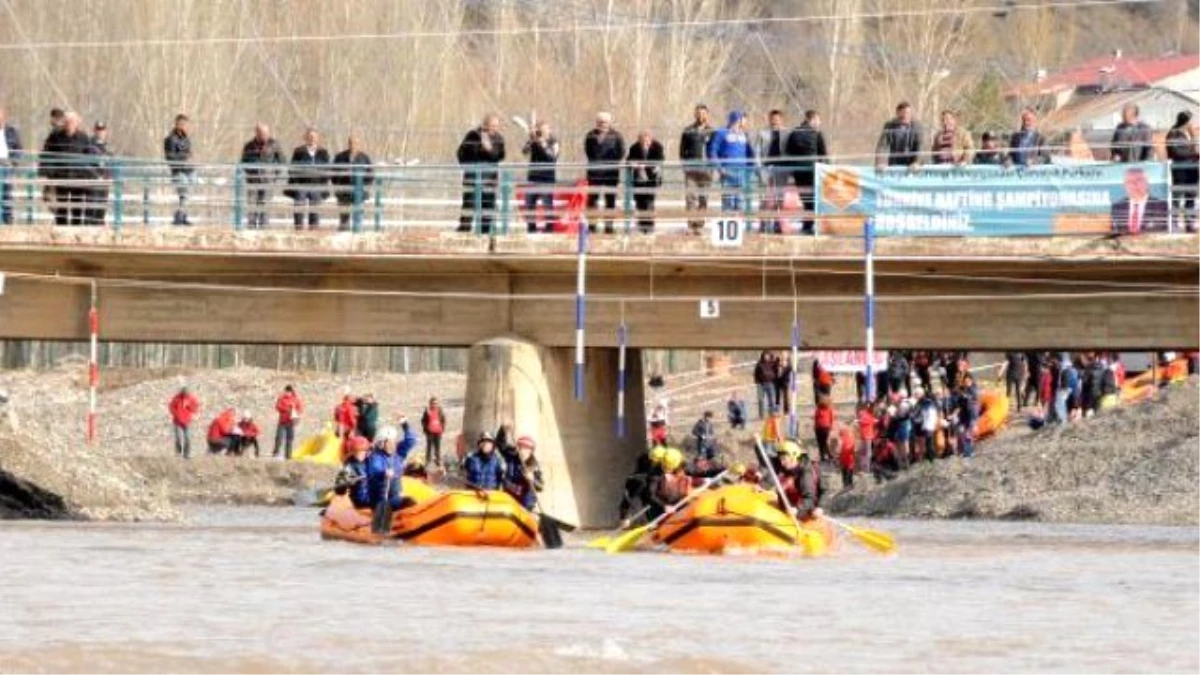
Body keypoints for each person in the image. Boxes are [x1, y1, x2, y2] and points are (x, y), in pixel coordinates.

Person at [39, 111, 93, 226]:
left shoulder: (83, 137)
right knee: (61, 206)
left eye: (72, 122)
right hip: (61, 176)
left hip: (78, 178)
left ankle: (76, 230)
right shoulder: (55, 137)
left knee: (77, 206)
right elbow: (46, 153)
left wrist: (91, 174)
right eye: (67, 121)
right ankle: (61, 229)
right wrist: (47, 172)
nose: (69, 124)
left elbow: (90, 156)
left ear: (77, 123)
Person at [456, 114, 506, 233]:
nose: (495, 128)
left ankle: (486, 231)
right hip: (473, 176)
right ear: (485, 125)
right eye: (492, 125)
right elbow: (461, 153)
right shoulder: (473, 135)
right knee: (469, 203)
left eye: (496, 126)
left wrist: (489, 150)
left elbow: (500, 155)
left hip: (490, 178)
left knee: (488, 205)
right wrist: (470, 165)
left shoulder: (498, 138)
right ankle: (464, 229)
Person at [784, 109, 828, 235]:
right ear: (812, 119)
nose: (819, 123)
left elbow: (789, 152)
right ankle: (811, 225)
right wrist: (828, 169)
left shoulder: (794, 133)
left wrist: (792, 170)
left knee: (805, 198)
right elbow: (823, 154)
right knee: (815, 198)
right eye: (818, 120)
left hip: (798, 172)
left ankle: (807, 225)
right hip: (813, 171)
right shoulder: (816, 134)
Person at [584, 112, 626, 233]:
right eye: (600, 122)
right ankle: (592, 227)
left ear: (609, 123)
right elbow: (588, 152)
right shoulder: (590, 135)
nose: (602, 124)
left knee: (610, 201)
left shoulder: (617, 135)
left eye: (605, 122)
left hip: (611, 173)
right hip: (594, 173)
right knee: (592, 200)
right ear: (596, 122)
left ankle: (609, 227)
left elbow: (621, 152)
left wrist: (611, 163)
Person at [707, 110, 755, 213]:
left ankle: (739, 225)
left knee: (740, 202)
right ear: (738, 119)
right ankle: (727, 221)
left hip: (742, 172)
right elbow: (712, 151)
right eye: (743, 119)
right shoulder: (722, 132)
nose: (746, 122)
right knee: (728, 202)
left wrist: (750, 169)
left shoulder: (744, 135)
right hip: (727, 171)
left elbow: (750, 153)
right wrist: (719, 168)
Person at [239, 123, 285, 229]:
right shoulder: (249, 145)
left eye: (267, 133)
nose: (265, 135)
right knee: (252, 203)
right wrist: (249, 172)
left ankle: (264, 228)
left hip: (267, 180)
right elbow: (243, 161)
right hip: (252, 180)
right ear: (257, 133)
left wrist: (275, 175)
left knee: (264, 204)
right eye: (262, 133)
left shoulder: (274, 144)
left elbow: (282, 161)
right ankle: (251, 227)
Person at [366, 422, 419, 512]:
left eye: (394, 441)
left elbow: (411, 440)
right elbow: (374, 469)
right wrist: (383, 473)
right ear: (381, 443)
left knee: (410, 502)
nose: (393, 444)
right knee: (409, 502)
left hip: (395, 496)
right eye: (390, 441)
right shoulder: (375, 457)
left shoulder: (398, 453)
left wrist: (405, 425)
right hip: (381, 500)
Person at [285, 127, 330, 230]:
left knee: (315, 207)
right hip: (302, 184)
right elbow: (292, 168)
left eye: (314, 137)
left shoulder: (323, 152)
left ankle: (313, 228)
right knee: (299, 204)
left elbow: (327, 170)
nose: (312, 139)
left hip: (316, 185)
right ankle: (298, 227)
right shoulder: (299, 151)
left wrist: (322, 184)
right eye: (309, 137)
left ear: (317, 138)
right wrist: (296, 183)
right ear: (305, 138)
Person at [680, 104, 715, 234]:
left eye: (703, 113)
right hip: (691, 170)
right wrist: (685, 165)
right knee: (690, 198)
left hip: (706, 170)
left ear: (707, 115)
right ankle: (691, 224)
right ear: (695, 115)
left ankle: (699, 225)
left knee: (703, 198)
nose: (701, 116)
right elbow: (682, 151)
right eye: (698, 113)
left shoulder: (712, 131)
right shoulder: (688, 130)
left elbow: (715, 151)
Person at [521, 120, 560, 233]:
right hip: (532, 179)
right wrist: (531, 139)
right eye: (539, 130)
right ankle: (531, 229)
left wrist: (542, 142)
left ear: (549, 130)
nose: (541, 133)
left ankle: (549, 230)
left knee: (547, 206)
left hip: (546, 179)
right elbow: (524, 151)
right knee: (529, 206)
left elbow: (552, 158)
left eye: (543, 130)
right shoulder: (534, 140)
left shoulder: (554, 142)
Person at [331, 134, 374, 231]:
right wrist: (340, 179)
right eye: (351, 143)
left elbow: (370, 175)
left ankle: (357, 234)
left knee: (358, 215)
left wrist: (363, 185)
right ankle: (343, 235)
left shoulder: (364, 158)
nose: (353, 145)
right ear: (348, 144)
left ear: (359, 144)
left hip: (358, 190)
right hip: (344, 190)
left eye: (356, 143)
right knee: (344, 217)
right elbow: (333, 174)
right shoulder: (340, 157)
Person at [1111, 167, 1170, 234]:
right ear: (1125, 185)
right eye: (1130, 182)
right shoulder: (1117, 207)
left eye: (1139, 180)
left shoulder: (1162, 206)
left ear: (1147, 183)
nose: (1135, 185)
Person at [626, 130, 664, 233]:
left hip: (652, 178)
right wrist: (635, 164)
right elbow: (629, 160)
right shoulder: (634, 147)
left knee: (649, 202)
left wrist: (646, 165)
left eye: (647, 141)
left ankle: (650, 227)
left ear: (651, 139)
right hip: (639, 179)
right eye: (642, 141)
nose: (644, 143)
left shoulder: (657, 146)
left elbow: (660, 160)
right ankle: (642, 226)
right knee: (640, 202)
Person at [757, 109, 788, 234]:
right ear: (769, 119)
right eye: (772, 118)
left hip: (781, 169)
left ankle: (777, 223)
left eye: (777, 118)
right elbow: (757, 151)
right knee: (764, 198)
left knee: (779, 198)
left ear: (781, 119)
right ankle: (764, 224)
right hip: (766, 168)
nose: (775, 121)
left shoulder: (787, 133)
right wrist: (759, 167)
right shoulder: (762, 133)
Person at [1166, 111, 1197, 233]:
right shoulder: (1173, 134)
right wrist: (1194, 154)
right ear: (1185, 121)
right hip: (1179, 169)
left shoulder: (1189, 134)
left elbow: (1193, 148)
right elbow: (1176, 152)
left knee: (1191, 197)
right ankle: (1173, 223)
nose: (1191, 123)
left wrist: (1193, 137)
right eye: (1190, 121)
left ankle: (1190, 223)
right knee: (1176, 197)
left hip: (1191, 169)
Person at [619, 446, 665, 526]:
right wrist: (624, 517)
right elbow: (627, 499)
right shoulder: (638, 479)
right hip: (651, 511)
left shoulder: (663, 470)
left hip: (665, 509)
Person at [776, 441, 822, 521]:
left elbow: (810, 499)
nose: (782, 463)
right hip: (787, 510)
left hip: (804, 512)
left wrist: (797, 509)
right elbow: (770, 474)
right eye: (781, 459)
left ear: (793, 457)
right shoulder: (786, 468)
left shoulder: (806, 473)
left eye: (784, 459)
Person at [163, 114, 194, 225]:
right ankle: (179, 216)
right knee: (183, 193)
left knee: (187, 195)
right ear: (178, 125)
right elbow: (170, 157)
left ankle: (181, 216)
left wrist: (191, 161)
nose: (186, 127)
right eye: (184, 124)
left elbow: (190, 153)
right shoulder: (170, 139)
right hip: (178, 171)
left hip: (188, 170)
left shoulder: (186, 139)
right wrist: (185, 157)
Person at [875, 102, 923, 169]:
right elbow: (882, 146)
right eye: (903, 113)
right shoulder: (889, 126)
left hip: (912, 164)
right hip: (894, 163)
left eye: (908, 113)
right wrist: (880, 163)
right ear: (897, 113)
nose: (906, 116)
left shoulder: (917, 126)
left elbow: (921, 145)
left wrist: (917, 162)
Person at [502, 435, 543, 511]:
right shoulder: (511, 458)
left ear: (531, 452)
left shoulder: (534, 466)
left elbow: (541, 487)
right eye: (521, 448)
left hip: (526, 506)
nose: (523, 452)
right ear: (518, 449)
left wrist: (533, 479)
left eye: (527, 449)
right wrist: (504, 430)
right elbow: (500, 444)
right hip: (509, 502)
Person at [0, 105, 24, 225]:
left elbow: (19, 150)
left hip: (6, 166)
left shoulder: (11, 131)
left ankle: (7, 221)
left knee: (6, 194)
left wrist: (13, 162)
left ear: (4, 117)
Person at [85, 121, 112, 226]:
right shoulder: (90, 145)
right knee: (92, 208)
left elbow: (109, 164)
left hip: (104, 182)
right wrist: (96, 176)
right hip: (94, 182)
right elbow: (87, 164)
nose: (100, 132)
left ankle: (99, 226)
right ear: (94, 130)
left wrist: (109, 176)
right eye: (98, 130)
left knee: (101, 208)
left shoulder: (106, 146)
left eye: (102, 130)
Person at [650, 447, 691, 514]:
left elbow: (692, 470)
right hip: (667, 509)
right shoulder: (655, 474)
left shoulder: (681, 465)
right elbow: (652, 495)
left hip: (682, 501)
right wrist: (664, 506)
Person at [336, 436, 372, 508]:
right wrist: (347, 482)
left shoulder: (369, 461)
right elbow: (339, 491)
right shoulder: (348, 467)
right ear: (353, 452)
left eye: (364, 450)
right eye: (359, 451)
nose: (363, 453)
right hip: (360, 500)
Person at [168, 386, 201, 459]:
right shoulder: (176, 398)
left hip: (187, 421)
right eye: (183, 393)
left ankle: (186, 455)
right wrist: (176, 414)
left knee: (187, 438)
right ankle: (178, 452)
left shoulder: (191, 398)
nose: (184, 394)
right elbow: (171, 407)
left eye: (186, 393)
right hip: (177, 421)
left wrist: (189, 406)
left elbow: (195, 409)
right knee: (178, 437)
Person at [273, 384, 303, 459]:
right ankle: (276, 452)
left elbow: (300, 409)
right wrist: (287, 409)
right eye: (286, 391)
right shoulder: (281, 398)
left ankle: (288, 455)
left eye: (289, 391)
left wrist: (296, 413)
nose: (287, 393)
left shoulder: (296, 399)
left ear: (291, 392)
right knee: (279, 437)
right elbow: (277, 407)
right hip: (282, 421)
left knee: (289, 439)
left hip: (291, 422)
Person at [420, 396, 447, 467]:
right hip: (430, 433)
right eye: (433, 403)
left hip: (438, 432)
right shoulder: (427, 411)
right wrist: (426, 428)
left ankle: (438, 460)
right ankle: (428, 461)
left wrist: (442, 428)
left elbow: (443, 419)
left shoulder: (440, 410)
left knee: (437, 447)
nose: (434, 405)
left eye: (436, 403)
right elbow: (423, 420)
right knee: (429, 447)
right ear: (430, 404)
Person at [753, 351, 779, 419]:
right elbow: (755, 373)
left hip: (770, 383)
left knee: (772, 400)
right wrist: (757, 382)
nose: (766, 357)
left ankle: (771, 414)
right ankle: (761, 415)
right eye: (765, 355)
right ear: (763, 356)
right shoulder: (759, 364)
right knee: (761, 400)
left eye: (767, 355)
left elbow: (777, 368)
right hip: (761, 384)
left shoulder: (772, 363)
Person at [813, 397, 835, 463]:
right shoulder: (821, 409)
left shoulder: (821, 409)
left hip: (823, 427)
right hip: (822, 427)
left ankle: (828, 455)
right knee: (822, 442)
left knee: (823, 442)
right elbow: (816, 418)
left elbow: (816, 418)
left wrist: (831, 426)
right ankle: (824, 456)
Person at [836, 423, 856, 489]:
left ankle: (846, 486)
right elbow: (854, 449)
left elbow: (838, 450)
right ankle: (849, 486)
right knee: (849, 474)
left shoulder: (841, 439)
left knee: (845, 474)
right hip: (849, 459)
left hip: (845, 459)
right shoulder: (852, 437)